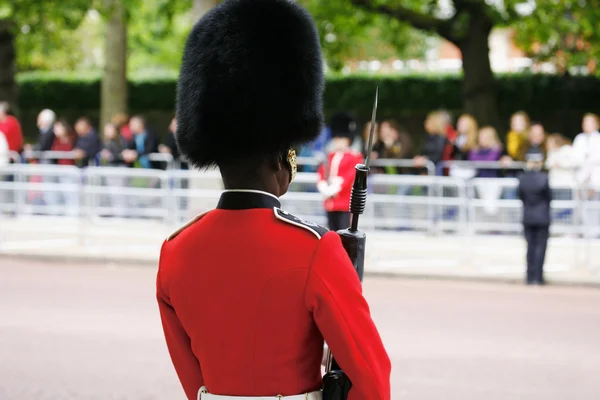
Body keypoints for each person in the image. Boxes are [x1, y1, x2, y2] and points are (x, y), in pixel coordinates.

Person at [156, 2, 391, 400]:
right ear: (279, 157)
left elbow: (194, 382)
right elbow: (373, 379)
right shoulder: (317, 249)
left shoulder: (175, 251)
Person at [316, 112, 364, 231]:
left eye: (341, 139)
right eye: (336, 139)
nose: (338, 141)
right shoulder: (330, 156)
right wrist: (322, 185)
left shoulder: (354, 157)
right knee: (332, 230)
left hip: (344, 202)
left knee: (343, 231)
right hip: (329, 202)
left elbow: (350, 176)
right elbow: (322, 171)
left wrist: (336, 186)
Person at [518, 150, 552, 285]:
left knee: (530, 247)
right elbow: (549, 197)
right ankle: (538, 277)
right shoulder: (544, 177)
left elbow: (520, 196)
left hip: (528, 216)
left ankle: (529, 276)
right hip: (542, 216)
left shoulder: (522, 177)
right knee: (540, 248)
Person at [572, 113, 600, 189]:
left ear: (596, 124)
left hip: (596, 178)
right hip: (579, 177)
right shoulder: (579, 138)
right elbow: (575, 156)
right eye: (584, 122)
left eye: (589, 123)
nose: (586, 124)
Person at [449, 114, 478, 179]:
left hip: (469, 171)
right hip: (456, 169)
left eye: (462, 124)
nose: (459, 125)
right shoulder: (457, 138)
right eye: (459, 123)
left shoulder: (476, 139)